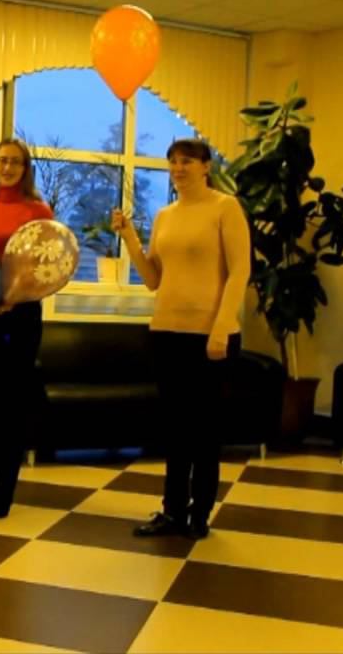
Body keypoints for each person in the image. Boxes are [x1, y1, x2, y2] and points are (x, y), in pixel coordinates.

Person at [116, 138, 250, 540]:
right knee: (175, 431)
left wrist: (221, 328)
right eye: (173, 161)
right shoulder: (165, 215)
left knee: (204, 432)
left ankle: (200, 514)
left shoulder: (225, 207)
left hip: (210, 336)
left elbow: (240, 272)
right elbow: (153, 279)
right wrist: (129, 238)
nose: (178, 168)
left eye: (187, 161)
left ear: (206, 166)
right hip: (167, 333)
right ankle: (173, 511)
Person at [0, 138, 54, 518]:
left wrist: (12, 299)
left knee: (12, 400)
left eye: (15, 162)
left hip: (21, 313)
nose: (7, 167)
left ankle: (6, 486)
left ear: (25, 168)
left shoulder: (39, 211)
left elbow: (44, 265)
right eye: (1, 161)